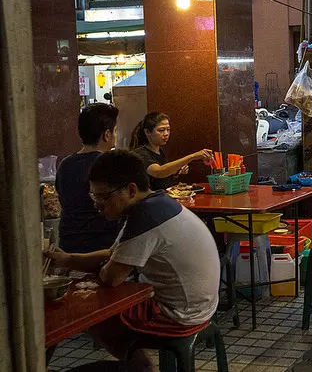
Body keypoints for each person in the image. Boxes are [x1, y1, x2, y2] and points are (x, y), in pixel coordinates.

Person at [45, 151, 220, 371]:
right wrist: (67, 259)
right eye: (94, 196)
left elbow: (111, 277)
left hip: (179, 313)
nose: (98, 205)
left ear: (130, 190)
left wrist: (93, 270)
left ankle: (142, 368)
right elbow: (113, 253)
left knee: (92, 313)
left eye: (104, 197)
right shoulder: (157, 202)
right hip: (202, 304)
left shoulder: (144, 218)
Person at [55, 103, 122, 253]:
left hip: (68, 245)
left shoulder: (65, 164)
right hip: (102, 247)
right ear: (107, 134)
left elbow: (63, 201)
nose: (115, 136)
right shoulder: (109, 163)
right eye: (115, 131)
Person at [129, 112, 213, 191]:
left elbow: (161, 180)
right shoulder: (140, 153)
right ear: (147, 132)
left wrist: (176, 172)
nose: (166, 133)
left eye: (168, 129)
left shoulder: (160, 151)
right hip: (149, 200)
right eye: (161, 130)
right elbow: (159, 172)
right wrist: (193, 156)